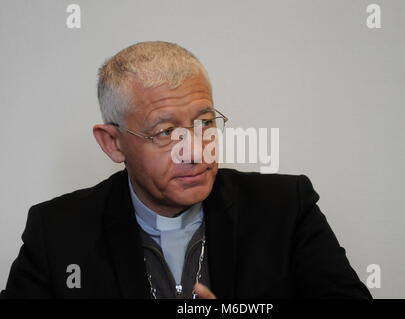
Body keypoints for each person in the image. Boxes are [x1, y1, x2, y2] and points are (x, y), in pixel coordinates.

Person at [1, 41, 371, 299]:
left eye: (205, 123)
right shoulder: (57, 230)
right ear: (113, 143)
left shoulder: (285, 208)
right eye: (165, 132)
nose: (194, 151)